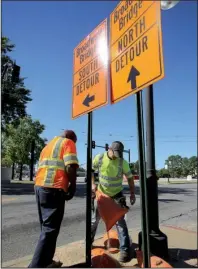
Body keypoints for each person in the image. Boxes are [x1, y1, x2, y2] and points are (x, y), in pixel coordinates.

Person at [29, 130, 79, 268]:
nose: (74, 144)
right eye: (75, 142)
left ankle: (46, 262)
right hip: (53, 188)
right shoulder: (67, 142)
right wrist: (72, 187)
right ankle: (36, 266)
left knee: (46, 229)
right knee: (50, 229)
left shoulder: (48, 146)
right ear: (71, 138)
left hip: (39, 187)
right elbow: (70, 166)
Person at [91, 141, 136, 263]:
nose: (117, 156)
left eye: (119, 153)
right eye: (115, 153)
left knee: (120, 223)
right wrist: (92, 184)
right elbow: (91, 170)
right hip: (101, 195)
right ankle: (88, 245)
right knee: (94, 221)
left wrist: (132, 193)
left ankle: (125, 251)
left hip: (116, 195)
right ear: (109, 149)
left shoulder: (122, 162)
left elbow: (130, 178)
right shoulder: (100, 158)